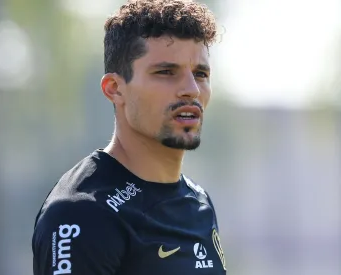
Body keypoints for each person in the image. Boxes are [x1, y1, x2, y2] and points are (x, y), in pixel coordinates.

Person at [32, 0, 226, 274]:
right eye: (166, 72)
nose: (191, 90)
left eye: (200, 74)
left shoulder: (199, 201)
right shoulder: (80, 214)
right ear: (114, 89)